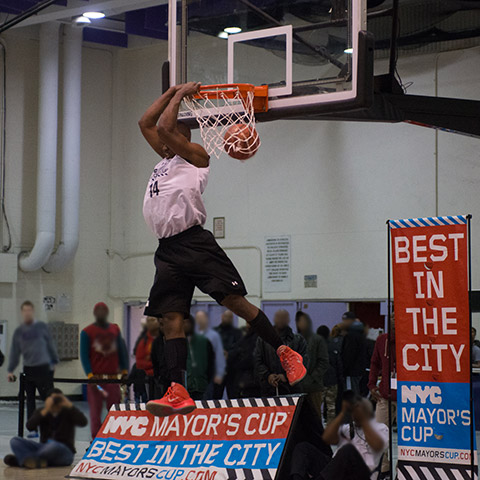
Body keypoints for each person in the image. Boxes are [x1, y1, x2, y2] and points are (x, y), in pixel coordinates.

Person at [138, 82, 306, 417]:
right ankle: (178, 389)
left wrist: (182, 96)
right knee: (169, 318)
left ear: (181, 141)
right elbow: (146, 123)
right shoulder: (166, 160)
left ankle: (284, 350)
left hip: (194, 242)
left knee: (234, 302)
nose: (163, 141)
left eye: (170, 139)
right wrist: (171, 93)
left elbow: (166, 127)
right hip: (167, 249)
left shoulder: (197, 156)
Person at [290, 392, 389, 480]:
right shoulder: (348, 427)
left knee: (347, 450)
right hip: (335, 469)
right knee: (303, 448)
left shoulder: (381, 428)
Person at [7, 301, 59, 437]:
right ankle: (33, 428)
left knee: (47, 399)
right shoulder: (20, 331)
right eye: (24, 311)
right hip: (28, 370)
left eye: (29, 310)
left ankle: (52, 428)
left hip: (42, 370)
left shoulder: (41, 328)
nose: (27, 313)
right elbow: (15, 351)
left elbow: (50, 346)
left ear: (33, 311)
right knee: (29, 400)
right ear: (22, 312)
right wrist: (10, 370)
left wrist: (54, 363)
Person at [4, 388, 87, 469]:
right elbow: (30, 426)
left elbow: (83, 422)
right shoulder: (42, 411)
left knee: (53, 446)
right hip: (43, 448)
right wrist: (46, 410)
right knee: (15, 440)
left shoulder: (68, 412)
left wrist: (70, 406)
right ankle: (35, 461)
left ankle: (25, 460)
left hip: (64, 451)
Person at [80, 302, 129, 438]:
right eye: (98, 310)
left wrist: (124, 371)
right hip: (96, 380)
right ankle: (95, 439)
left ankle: (114, 437)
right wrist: (90, 375)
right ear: (95, 313)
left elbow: (122, 352)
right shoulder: (87, 332)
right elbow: (84, 355)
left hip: (112, 379)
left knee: (114, 411)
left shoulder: (114, 331)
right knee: (95, 413)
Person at [254, 309, 307, 397]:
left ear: (288, 320)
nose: (281, 320)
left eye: (283, 318)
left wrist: (286, 376)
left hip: (291, 390)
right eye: (278, 317)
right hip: (268, 389)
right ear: (274, 319)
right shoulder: (262, 340)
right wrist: (268, 376)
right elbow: (257, 360)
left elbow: (303, 361)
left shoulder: (298, 340)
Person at [368, 317, 396, 479]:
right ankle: (384, 468)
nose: (393, 320)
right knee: (378, 435)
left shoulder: (409, 339)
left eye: (396, 316)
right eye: (391, 317)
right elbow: (374, 363)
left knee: (409, 436)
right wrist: (372, 385)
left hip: (407, 397)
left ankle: (404, 468)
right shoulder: (381, 340)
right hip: (384, 395)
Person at [296, 312, 329, 419]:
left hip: (314, 387)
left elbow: (323, 362)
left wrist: (312, 378)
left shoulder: (317, 340)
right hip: (298, 388)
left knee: (315, 417)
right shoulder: (295, 340)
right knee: (299, 419)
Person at [195, 310, 226, 399]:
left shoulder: (214, 336)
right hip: (198, 375)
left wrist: (220, 374)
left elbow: (219, 355)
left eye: (202, 318)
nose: (200, 320)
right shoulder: (196, 336)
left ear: (206, 319)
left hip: (210, 374)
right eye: (198, 318)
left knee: (208, 398)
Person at [130, 316, 161, 402]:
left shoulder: (165, 338)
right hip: (148, 379)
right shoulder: (143, 341)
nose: (151, 323)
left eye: (153, 320)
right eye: (149, 321)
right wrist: (153, 364)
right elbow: (139, 362)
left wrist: (151, 361)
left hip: (164, 378)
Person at [317, 325, 343, 424]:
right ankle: (331, 428)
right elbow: (339, 364)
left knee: (317, 406)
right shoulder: (333, 346)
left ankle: (318, 428)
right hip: (332, 380)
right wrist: (340, 378)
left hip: (319, 381)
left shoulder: (315, 346)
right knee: (331, 406)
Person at [184, 315, 215, 400]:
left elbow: (211, 361)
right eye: (183, 323)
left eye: (187, 322)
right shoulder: (178, 343)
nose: (185, 325)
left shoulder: (204, 341)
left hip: (203, 385)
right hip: (184, 388)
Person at [226, 324, 257, 398]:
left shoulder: (256, 339)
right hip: (242, 378)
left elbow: (251, 359)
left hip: (250, 380)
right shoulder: (244, 339)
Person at [341, 311, 367, 395]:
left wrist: (344, 369)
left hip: (352, 371)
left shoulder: (350, 335)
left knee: (351, 394)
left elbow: (349, 354)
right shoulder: (361, 333)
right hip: (360, 370)